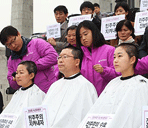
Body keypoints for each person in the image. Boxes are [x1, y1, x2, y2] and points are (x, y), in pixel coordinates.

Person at [78, 43, 148, 128]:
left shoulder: (142, 84)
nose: (115, 60)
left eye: (120, 56)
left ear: (132, 59)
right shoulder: (113, 83)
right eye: (114, 57)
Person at [42, 46, 98, 128]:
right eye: (59, 57)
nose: (60, 60)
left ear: (77, 62)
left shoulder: (85, 86)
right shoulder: (55, 85)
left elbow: (89, 116)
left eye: (65, 57)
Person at [0, 26, 58, 93]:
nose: (13, 45)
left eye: (13, 40)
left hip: (48, 89)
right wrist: (15, 79)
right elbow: (13, 84)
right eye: (8, 45)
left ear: (18, 34)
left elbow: (53, 56)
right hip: (29, 95)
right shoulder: (11, 60)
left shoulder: (37, 43)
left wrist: (32, 66)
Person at [76, 20, 118, 96]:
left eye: (85, 34)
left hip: (108, 96)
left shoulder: (109, 50)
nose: (83, 38)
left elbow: (119, 73)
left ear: (94, 32)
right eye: (80, 36)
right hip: (89, 98)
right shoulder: (80, 54)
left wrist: (104, 71)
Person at [1, 61, 45, 128]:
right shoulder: (17, 93)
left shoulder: (37, 94)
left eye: (21, 73)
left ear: (31, 75)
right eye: (16, 73)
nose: (17, 76)